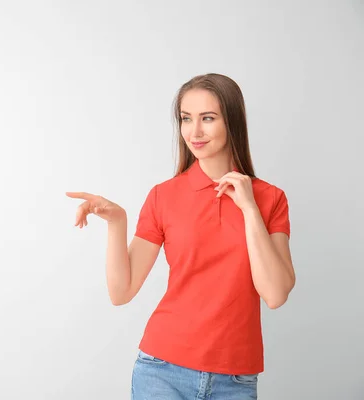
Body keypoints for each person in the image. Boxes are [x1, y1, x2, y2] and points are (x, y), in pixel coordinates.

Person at [66, 73, 295, 399]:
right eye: (186, 119)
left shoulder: (270, 198)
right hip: (162, 370)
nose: (195, 131)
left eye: (208, 118)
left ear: (233, 122)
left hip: (236, 380)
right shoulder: (164, 196)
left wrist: (249, 208)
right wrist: (117, 223)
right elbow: (121, 292)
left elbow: (275, 294)